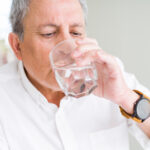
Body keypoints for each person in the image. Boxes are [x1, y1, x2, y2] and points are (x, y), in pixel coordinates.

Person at [0, 0, 150, 149]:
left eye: (76, 33)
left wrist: (126, 98)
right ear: (17, 46)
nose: (68, 48)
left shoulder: (109, 73)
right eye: (49, 33)